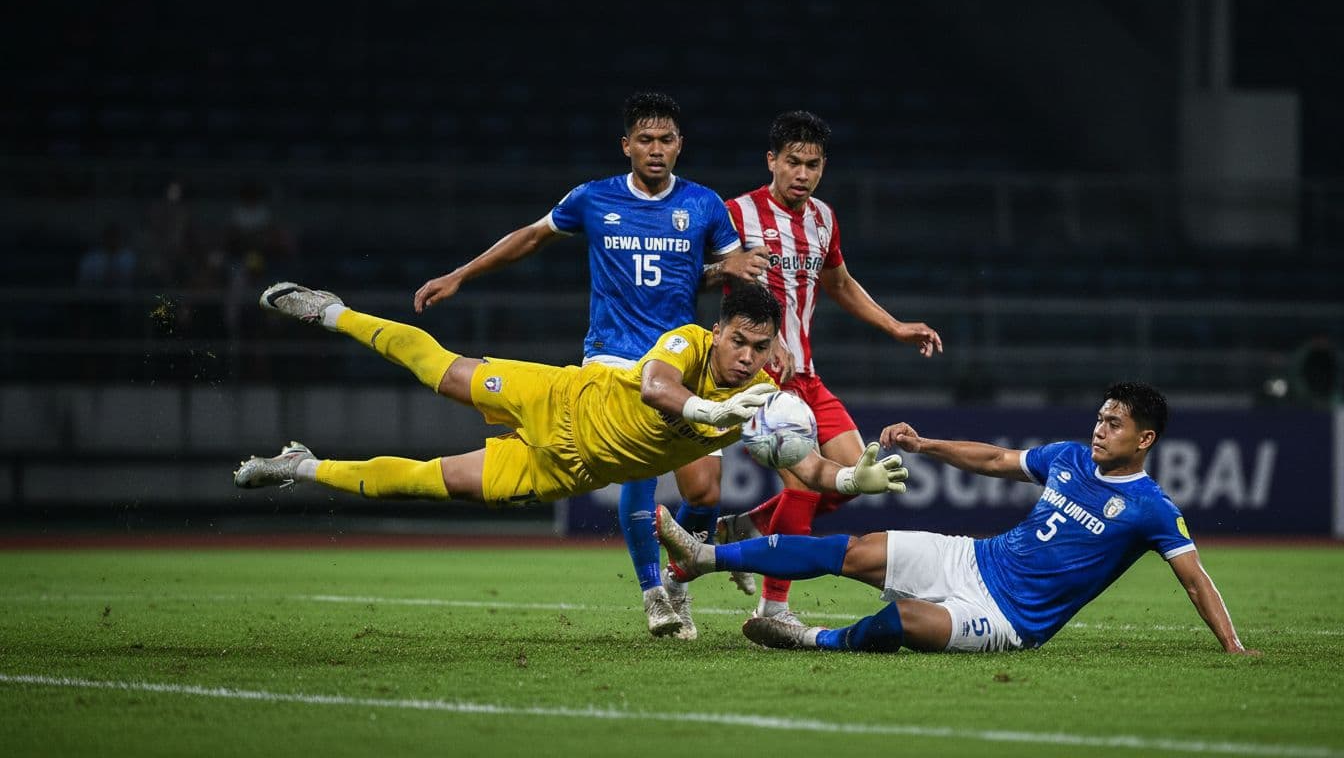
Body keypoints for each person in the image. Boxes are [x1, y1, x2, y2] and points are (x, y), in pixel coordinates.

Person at [411, 92, 769, 639]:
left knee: (704, 492)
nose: (656, 150)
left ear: (680, 146)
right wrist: (462, 274)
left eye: (666, 140)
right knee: (640, 471)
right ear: (626, 145)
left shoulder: (704, 206)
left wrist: (729, 276)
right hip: (613, 358)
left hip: (677, 360)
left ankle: (677, 581)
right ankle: (654, 593)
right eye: (645, 140)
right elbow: (530, 237)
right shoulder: (593, 198)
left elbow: (727, 290)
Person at [234, 280, 908, 541]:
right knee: (441, 370)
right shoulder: (689, 343)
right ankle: (333, 311)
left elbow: (805, 469)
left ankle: (304, 465)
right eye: (739, 340)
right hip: (557, 398)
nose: (746, 356)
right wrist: (710, 415)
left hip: (567, 468)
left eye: (760, 348)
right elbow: (658, 389)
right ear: (721, 328)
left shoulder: (765, 400)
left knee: (429, 481)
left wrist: (854, 481)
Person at [656, 382, 1259, 656]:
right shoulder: (1070, 458)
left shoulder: (1153, 508)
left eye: (1114, 424)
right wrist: (925, 446)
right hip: (975, 557)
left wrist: (1231, 646)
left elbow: (1195, 579)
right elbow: (996, 459)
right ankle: (702, 557)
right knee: (854, 549)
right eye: (1100, 418)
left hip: (1009, 618)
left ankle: (809, 638)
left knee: (905, 621)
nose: (1099, 430)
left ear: (1145, 438)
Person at [716, 110, 943, 625]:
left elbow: (838, 283)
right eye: (792, 162)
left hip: (808, 378)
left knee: (856, 476)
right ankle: (773, 608)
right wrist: (756, 331)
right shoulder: (735, 214)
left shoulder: (823, 218)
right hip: (760, 380)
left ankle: (747, 527)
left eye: (812, 164)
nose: (802, 173)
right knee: (802, 486)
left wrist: (895, 326)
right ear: (771, 161)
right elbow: (704, 278)